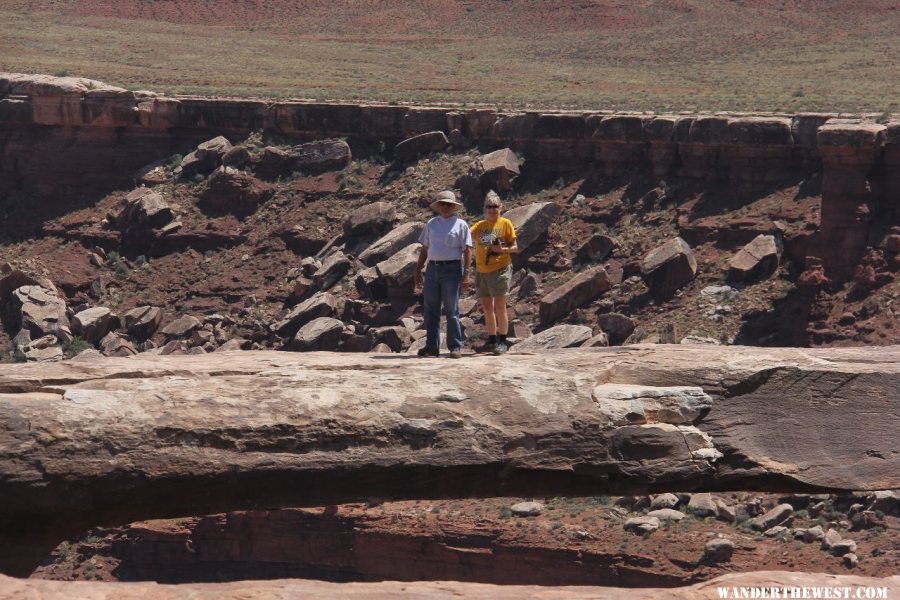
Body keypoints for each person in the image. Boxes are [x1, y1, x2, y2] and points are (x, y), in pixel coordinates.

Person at [413, 190, 473, 358]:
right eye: (443, 204)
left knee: (451, 309)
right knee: (430, 309)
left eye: (449, 204)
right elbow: (425, 248)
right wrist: (418, 269)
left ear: (454, 207)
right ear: (438, 206)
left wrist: (466, 274)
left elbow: (468, 250)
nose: (446, 207)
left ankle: (455, 346)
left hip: (452, 269)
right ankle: (432, 346)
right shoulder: (431, 224)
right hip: (432, 269)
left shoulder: (461, 225)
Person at [469, 191, 518, 354]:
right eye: (489, 206)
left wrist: (502, 249)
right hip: (482, 271)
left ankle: (503, 341)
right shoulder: (480, 226)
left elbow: (515, 247)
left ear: (500, 208)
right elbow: (466, 236)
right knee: (487, 308)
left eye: (495, 206)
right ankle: (491, 341)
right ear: (484, 208)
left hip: (500, 269)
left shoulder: (505, 224)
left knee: (499, 307)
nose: (492, 209)